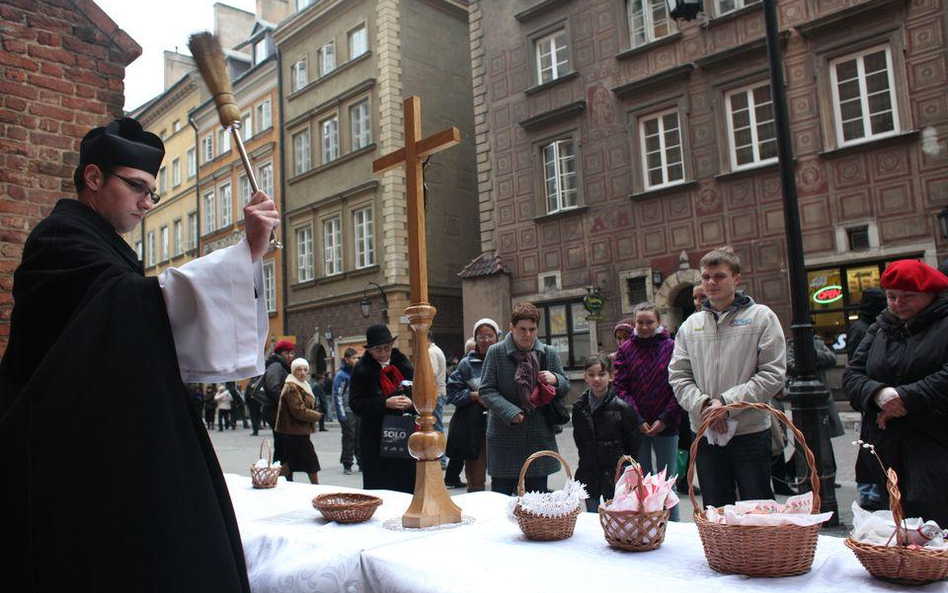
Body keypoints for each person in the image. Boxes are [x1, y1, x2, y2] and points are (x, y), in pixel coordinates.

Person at [0, 117, 279, 591]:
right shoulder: (59, 238)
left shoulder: (101, 242)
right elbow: (125, 307)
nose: (147, 204)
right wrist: (241, 254)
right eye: (137, 188)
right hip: (64, 454)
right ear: (93, 178)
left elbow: (135, 310)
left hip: (100, 441)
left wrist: (242, 257)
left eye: (152, 192)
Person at [669, 246, 786, 509]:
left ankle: (760, 552)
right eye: (705, 277)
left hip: (750, 431)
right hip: (706, 432)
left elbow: (772, 373)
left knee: (758, 509)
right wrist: (706, 406)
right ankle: (721, 552)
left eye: (719, 276)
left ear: (736, 279)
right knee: (716, 509)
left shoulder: (761, 318)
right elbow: (678, 376)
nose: (711, 283)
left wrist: (727, 404)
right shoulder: (691, 325)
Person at [843, 260, 948, 526]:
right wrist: (880, 395)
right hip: (886, 446)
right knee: (895, 522)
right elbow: (853, 374)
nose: (898, 303)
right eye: (892, 296)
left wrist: (906, 398)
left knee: (935, 523)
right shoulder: (880, 327)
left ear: (930, 295)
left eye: (908, 296)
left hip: (934, 442)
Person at [479, 302, 570, 495]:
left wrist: (555, 380)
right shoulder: (496, 352)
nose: (527, 335)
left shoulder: (548, 353)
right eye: (522, 329)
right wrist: (511, 412)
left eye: (532, 329)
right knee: (501, 502)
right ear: (512, 327)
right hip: (504, 437)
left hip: (537, 437)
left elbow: (565, 385)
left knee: (535, 503)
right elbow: (486, 390)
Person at [613, 303, 681, 520]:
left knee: (667, 482)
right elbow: (620, 388)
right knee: (641, 481)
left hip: (666, 423)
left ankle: (673, 525)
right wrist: (638, 418)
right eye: (640, 322)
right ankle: (645, 525)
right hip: (637, 425)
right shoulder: (626, 349)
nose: (644, 327)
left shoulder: (671, 347)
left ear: (659, 322)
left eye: (649, 322)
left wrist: (664, 418)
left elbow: (678, 385)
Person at [349, 324, 416, 493]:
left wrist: (411, 403)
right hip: (375, 436)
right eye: (378, 349)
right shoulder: (362, 370)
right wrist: (385, 403)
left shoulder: (403, 365)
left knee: (405, 482)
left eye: (387, 348)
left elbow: (420, 395)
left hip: (403, 432)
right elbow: (356, 404)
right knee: (379, 484)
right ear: (370, 350)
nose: (384, 353)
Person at [573, 354, 640, 512]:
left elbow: (633, 445)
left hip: (615, 476)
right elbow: (580, 442)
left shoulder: (623, 408)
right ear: (585, 377)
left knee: (615, 519)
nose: (596, 379)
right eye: (591, 374)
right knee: (592, 517)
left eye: (601, 374)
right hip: (589, 473)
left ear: (611, 376)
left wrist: (624, 472)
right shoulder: (579, 408)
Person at [445, 318, 500, 491]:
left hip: (502, 427)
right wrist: (474, 396)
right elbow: (452, 393)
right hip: (475, 428)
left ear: (497, 337)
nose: (486, 341)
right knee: (476, 478)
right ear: (475, 340)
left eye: (490, 336)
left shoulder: (505, 360)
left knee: (503, 477)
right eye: (481, 337)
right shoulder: (466, 364)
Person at [846, 287, 887, 509]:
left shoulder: (869, 326)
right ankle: (870, 492)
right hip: (871, 397)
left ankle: (871, 491)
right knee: (870, 446)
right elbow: (856, 365)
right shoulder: (864, 329)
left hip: (871, 394)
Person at [276, 358, 323, 484]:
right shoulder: (291, 386)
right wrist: (316, 416)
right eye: (299, 370)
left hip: (298, 429)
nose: (302, 372)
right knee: (310, 458)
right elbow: (298, 410)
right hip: (294, 429)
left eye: (305, 370)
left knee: (292, 460)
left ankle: (272, 480)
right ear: (293, 371)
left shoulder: (303, 385)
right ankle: (316, 486)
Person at [263, 340, 296, 462]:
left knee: (283, 446)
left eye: (291, 353)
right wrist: (287, 403)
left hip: (279, 411)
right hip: (276, 412)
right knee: (283, 446)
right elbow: (273, 387)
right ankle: (281, 473)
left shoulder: (282, 366)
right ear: (280, 353)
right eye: (287, 353)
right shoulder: (276, 365)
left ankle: (281, 473)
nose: (290, 356)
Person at [333, 347, 362, 475]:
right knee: (349, 437)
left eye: (357, 358)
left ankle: (361, 462)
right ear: (346, 359)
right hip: (347, 411)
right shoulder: (341, 375)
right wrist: (341, 414)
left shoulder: (358, 372)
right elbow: (337, 395)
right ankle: (347, 463)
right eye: (354, 358)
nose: (356, 360)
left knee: (359, 438)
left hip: (358, 410)